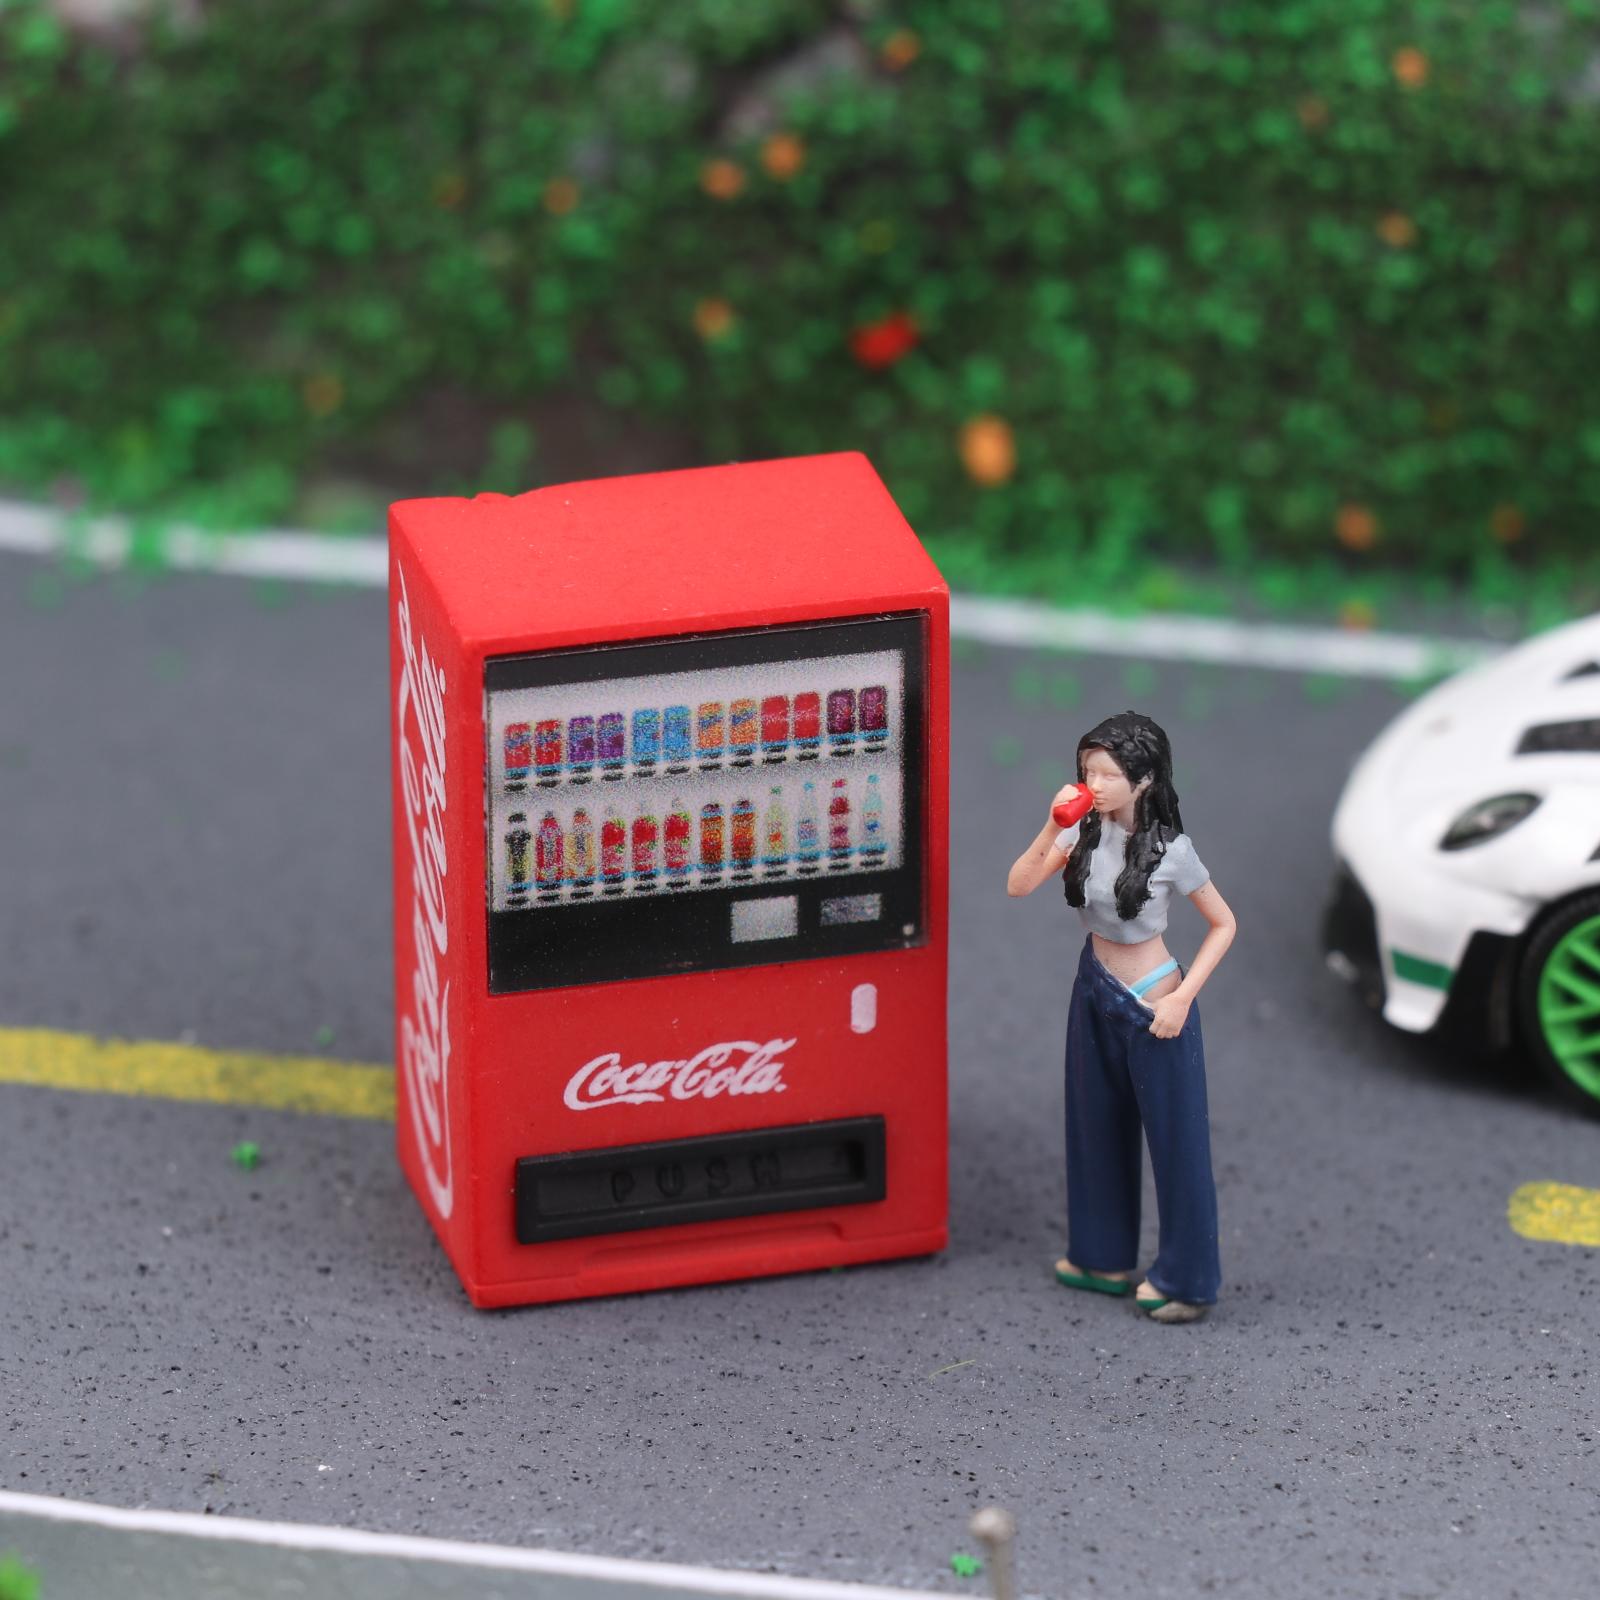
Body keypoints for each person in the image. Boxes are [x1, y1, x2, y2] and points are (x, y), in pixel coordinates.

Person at [1006, 711, 1237, 1323]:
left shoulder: (1172, 851)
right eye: (1089, 771)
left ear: (1144, 779)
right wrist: (1053, 825)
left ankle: (1187, 1280)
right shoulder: (1081, 834)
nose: (1096, 784)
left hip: (1154, 1001)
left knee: (1177, 1143)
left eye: (1109, 774)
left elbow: (1224, 924)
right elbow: (1018, 885)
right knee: (1093, 1124)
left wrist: (1182, 998)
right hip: (1094, 987)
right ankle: (1100, 1257)